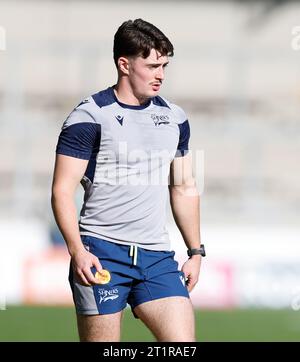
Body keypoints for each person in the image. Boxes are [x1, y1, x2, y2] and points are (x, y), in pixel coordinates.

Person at [51, 18, 204, 342]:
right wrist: (77, 250)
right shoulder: (89, 117)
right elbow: (62, 191)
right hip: (102, 253)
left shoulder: (175, 118)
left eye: (164, 65)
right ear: (124, 64)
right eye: (151, 65)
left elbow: (184, 186)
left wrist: (195, 251)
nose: (160, 74)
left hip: (157, 257)